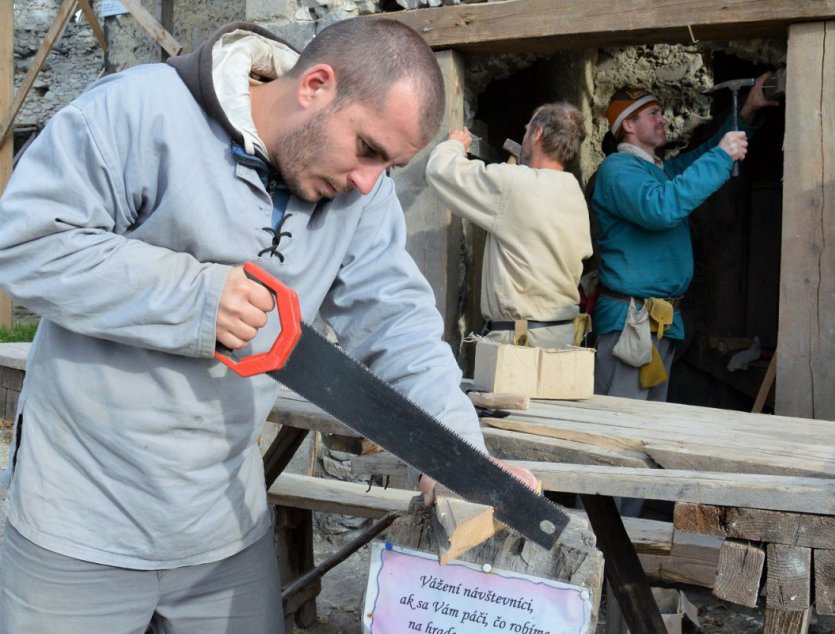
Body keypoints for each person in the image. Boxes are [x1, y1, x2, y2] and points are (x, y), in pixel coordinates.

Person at [0, 18, 534, 633]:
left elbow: (399, 322)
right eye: (367, 148)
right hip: (78, 522)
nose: (368, 181)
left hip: (222, 525)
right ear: (315, 85)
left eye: (388, 165)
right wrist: (196, 297)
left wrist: (457, 453)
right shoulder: (140, 111)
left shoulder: (361, 195)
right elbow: (26, 242)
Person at [590, 74, 777, 401]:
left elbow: (706, 152)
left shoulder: (657, 170)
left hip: (657, 323)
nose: (663, 119)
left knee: (645, 424)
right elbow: (660, 208)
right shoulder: (618, 170)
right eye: (653, 114)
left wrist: (746, 110)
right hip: (630, 325)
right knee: (619, 425)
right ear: (629, 125)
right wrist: (722, 156)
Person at [425, 103, 593, 349]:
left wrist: (454, 145)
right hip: (562, 339)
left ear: (538, 133)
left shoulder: (515, 184)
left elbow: (441, 172)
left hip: (519, 344)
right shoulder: (573, 191)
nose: (525, 136)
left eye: (526, 131)